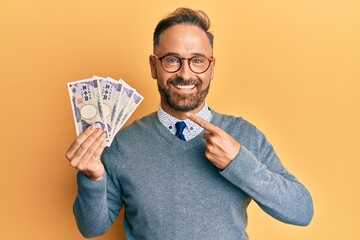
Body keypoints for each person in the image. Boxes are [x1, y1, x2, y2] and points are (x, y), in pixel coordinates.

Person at [66, 7, 314, 240]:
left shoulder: (243, 135)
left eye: (197, 60)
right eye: (172, 60)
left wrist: (238, 163)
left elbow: (301, 211)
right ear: (154, 66)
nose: (185, 74)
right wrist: (93, 178)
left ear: (211, 67)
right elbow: (92, 228)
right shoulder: (124, 144)